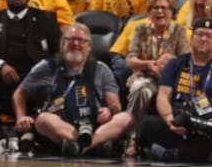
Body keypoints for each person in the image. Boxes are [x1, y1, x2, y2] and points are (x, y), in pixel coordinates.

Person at [14, 23, 133, 158]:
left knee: (126, 117)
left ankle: (82, 146)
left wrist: (109, 111)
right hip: (59, 125)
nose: (75, 44)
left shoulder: (101, 69)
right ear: (62, 43)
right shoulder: (46, 67)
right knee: (43, 119)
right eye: (71, 39)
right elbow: (19, 93)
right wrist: (21, 117)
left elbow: (115, 105)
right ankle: (90, 146)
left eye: (81, 40)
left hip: (93, 127)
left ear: (89, 46)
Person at [143, 19, 212, 163]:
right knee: (147, 124)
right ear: (191, 38)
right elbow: (163, 95)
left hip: (210, 123)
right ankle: (202, 153)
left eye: (209, 36)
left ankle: (176, 152)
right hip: (179, 121)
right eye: (199, 34)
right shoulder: (175, 64)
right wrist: (169, 120)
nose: (203, 39)